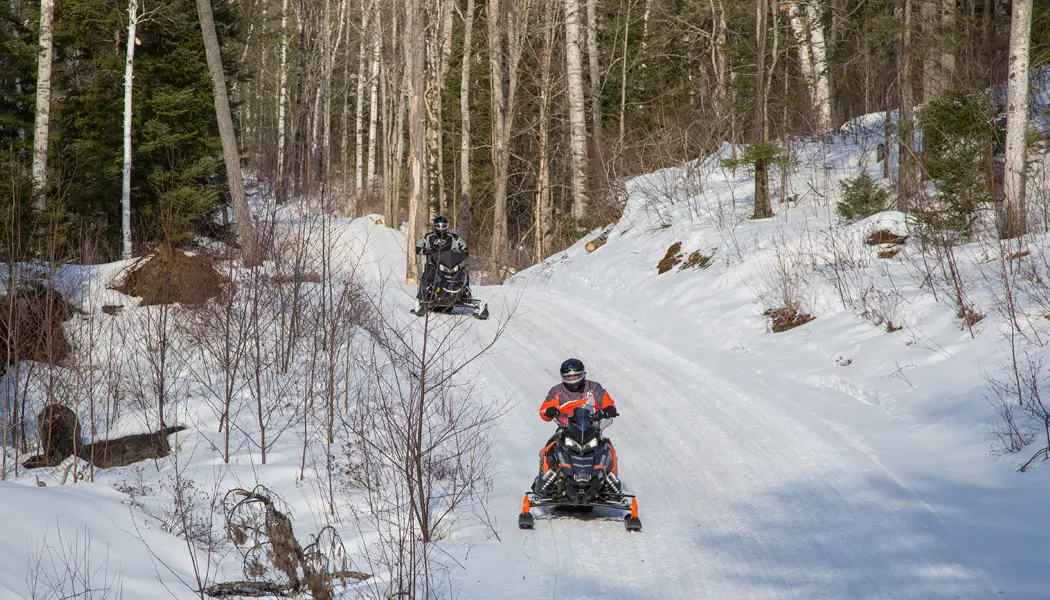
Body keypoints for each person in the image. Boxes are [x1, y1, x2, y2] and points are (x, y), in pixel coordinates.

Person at [534, 358, 619, 485]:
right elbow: (544, 410)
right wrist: (550, 411)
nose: (573, 380)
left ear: (582, 374)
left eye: (576, 376)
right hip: (566, 428)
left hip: (592, 428)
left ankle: (610, 479)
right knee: (550, 446)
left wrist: (608, 410)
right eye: (569, 377)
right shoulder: (557, 391)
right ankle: (546, 478)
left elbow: (608, 402)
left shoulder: (594, 388)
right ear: (563, 377)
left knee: (608, 447)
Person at [415, 215, 469, 302]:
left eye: (443, 226)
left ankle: (465, 293)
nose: (441, 228)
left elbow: (462, 245)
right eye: (438, 226)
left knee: (463, 272)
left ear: (447, 226)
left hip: (449, 263)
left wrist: (464, 251)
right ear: (434, 226)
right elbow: (419, 246)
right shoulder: (428, 237)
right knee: (428, 273)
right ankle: (424, 295)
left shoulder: (453, 237)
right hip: (433, 263)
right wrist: (423, 250)